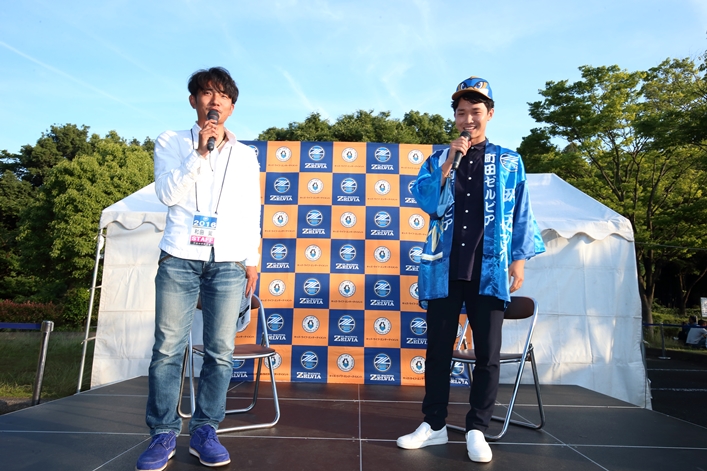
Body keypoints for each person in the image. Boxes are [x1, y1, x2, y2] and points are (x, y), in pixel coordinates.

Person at [397, 76, 545, 463]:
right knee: (437, 351)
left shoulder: (510, 161)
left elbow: (522, 211)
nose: (468, 119)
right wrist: (448, 164)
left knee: (488, 355)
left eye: (475, 111)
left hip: (489, 269)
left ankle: (477, 428)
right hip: (444, 268)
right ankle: (434, 424)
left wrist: (518, 259)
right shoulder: (437, 160)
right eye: (461, 112)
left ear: (489, 114)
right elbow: (426, 202)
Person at [136, 67, 261, 471]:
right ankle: (163, 433)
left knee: (221, 352)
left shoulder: (246, 155)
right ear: (194, 101)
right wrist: (200, 153)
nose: (215, 101)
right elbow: (167, 193)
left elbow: (251, 209)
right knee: (167, 349)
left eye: (222, 96)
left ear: (232, 106)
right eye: (207, 93)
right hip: (179, 257)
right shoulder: (171, 141)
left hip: (227, 261)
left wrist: (252, 259)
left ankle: (206, 429)